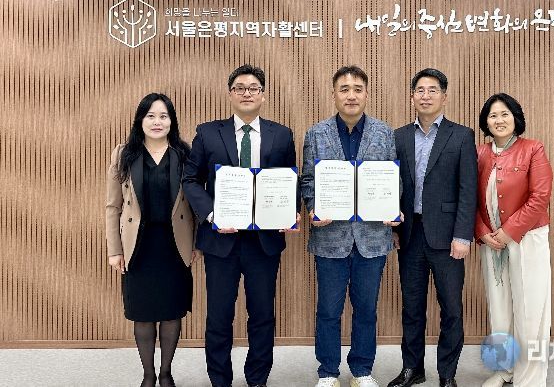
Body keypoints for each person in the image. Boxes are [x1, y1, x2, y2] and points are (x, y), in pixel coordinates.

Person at [182, 64, 300, 387]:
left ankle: (257, 378)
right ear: (230, 94)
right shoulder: (208, 132)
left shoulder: (281, 134)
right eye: (240, 88)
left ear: (263, 95)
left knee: (262, 315)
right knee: (219, 316)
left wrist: (291, 211)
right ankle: (220, 379)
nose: (247, 93)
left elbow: (290, 180)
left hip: (264, 241)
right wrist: (212, 215)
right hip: (221, 240)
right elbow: (190, 180)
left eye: (253, 88)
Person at [301, 65, 400, 387]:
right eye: (344, 89)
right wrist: (313, 207)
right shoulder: (316, 134)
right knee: (328, 310)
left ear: (366, 94)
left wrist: (393, 207)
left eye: (358, 89)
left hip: (372, 237)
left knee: (366, 310)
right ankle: (328, 372)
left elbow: (394, 179)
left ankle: (361, 370)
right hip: (331, 237)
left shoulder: (385, 133)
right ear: (334, 94)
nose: (351, 95)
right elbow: (307, 180)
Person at [389, 69, 477, 387]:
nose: (426, 96)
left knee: (451, 308)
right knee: (411, 307)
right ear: (412, 96)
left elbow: (468, 189)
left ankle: (447, 373)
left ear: (444, 96)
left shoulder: (461, 135)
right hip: (410, 234)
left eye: (433, 90)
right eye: (420, 90)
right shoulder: (398, 136)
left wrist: (462, 235)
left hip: (448, 236)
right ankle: (412, 368)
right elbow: (392, 186)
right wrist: (394, 228)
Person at [105, 93, 198, 387]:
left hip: (174, 245)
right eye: (151, 116)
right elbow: (113, 206)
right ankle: (148, 375)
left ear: (172, 121)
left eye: (163, 116)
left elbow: (196, 203)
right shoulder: (124, 154)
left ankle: (166, 373)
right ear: (140, 120)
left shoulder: (184, 153)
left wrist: (196, 244)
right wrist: (114, 250)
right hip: (138, 246)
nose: (157, 122)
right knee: (143, 315)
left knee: (171, 313)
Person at [475, 93, 553, 387]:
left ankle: (529, 377)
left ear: (515, 118)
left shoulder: (533, 149)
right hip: (492, 242)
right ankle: (504, 369)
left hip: (527, 239)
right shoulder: (479, 153)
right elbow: (468, 197)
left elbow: (540, 197)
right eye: (493, 115)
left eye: (504, 114)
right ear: (486, 122)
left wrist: (509, 231)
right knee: (499, 310)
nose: (499, 120)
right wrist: (482, 231)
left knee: (529, 309)